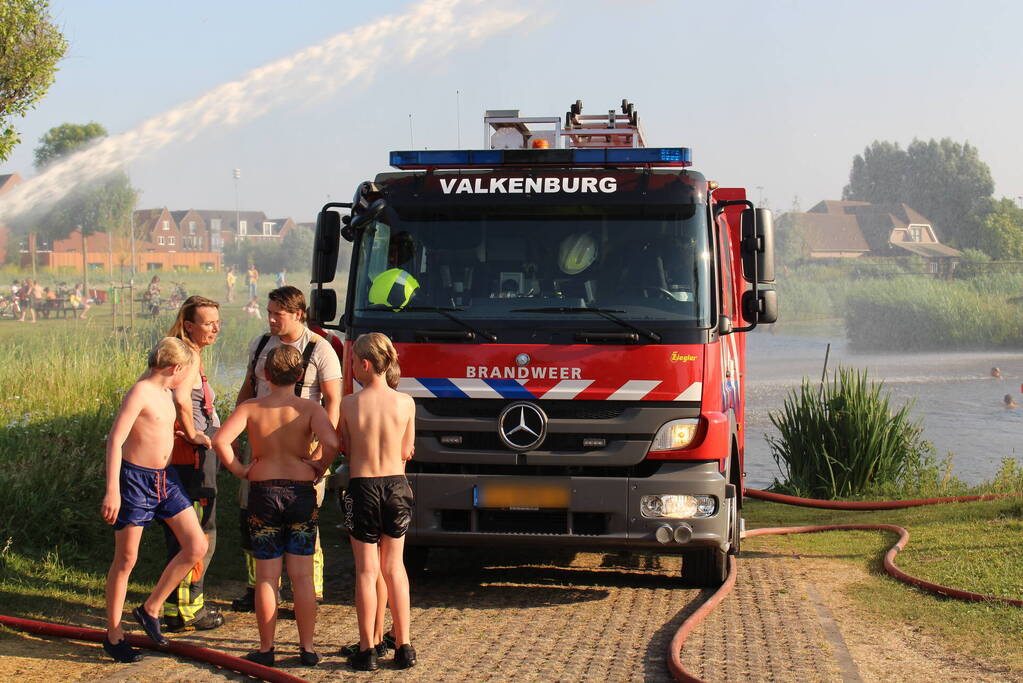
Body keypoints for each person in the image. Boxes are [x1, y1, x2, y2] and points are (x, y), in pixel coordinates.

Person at [214, 345, 339, 667]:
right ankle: (307, 648)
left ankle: (267, 647)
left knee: (267, 577)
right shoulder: (310, 409)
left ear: (266, 375)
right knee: (302, 577)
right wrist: (318, 466)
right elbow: (334, 442)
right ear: (299, 376)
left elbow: (219, 441)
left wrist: (240, 470)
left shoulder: (252, 407)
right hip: (300, 492)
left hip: (263, 492)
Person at [231, 286, 341, 612]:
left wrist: (321, 451)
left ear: (298, 313)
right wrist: (236, 435)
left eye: (278, 314)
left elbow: (333, 401)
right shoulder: (261, 344)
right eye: (269, 313)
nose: (271, 319)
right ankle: (258, 588)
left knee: (307, 518)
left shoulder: (320, 349)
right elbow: (248, 388)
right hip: (262, 448)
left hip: (304, 449)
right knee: (251, 516)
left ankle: (308, 591)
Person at [100, 337, 209, 662]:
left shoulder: (165, 393)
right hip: (134, 481)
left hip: (165, 479)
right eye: (185, 372)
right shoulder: (141, 392)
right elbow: (115, 441)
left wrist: (190, 436)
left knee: (196, 545)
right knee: (127, 559)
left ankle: (151, 608)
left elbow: (160, 428)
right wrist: (112, 490)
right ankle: (114, 633)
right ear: (175, 369)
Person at [341, 332, 417, 671]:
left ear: (366, 364)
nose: (353, 367)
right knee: (394, 568)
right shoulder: (406, 403)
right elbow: (406, 451)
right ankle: (404, 646)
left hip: (364, 487)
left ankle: (367, 649)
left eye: (355, 362)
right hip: (397, 487)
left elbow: (344, 446)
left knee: (367, 570)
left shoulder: (349, 404)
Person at [160, 296, 225, 633]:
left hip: (184, 457)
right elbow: (182, 400)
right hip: (190, 459)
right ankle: (188, 609)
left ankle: (177, 606)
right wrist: (194, 433)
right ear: (189, 326)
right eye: (208, 322)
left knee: (186, 533)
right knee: (199, 532)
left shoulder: (184, 354)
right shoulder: (185, 357)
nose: (216, 327)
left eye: (217, 320)